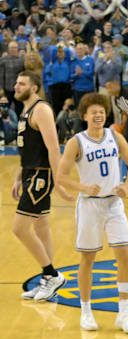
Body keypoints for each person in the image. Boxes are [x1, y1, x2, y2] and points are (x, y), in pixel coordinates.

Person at [55, 93, 128, 333]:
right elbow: (60, 176)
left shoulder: (115, 136)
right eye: (94, 112)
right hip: (90, 205)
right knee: (88, 259)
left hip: (114, 204)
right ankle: (86, 311)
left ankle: (124, 314)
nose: (99, 115)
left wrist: (126, 185)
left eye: (102, 112)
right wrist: (83, 187)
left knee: (124, 255)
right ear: (85, 116)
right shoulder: (77, 142)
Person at [13, 70, 73, 301]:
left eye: (22, 83)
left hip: (41, 175)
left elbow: (53, 148)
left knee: (19, 228)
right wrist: (19, 176)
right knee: (41, 227)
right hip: (30, 171)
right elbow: (29, 148)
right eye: (16, 83)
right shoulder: (26, 110)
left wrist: (59, 181)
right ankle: (47, 279)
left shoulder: (41, 109)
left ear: (34, 87)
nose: (16, 87)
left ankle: (52, 274)